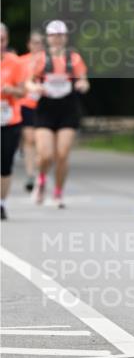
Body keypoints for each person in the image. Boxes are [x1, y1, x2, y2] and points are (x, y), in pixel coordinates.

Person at [28, 19, 89, 207]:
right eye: (53, 35)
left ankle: (58, 192)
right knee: (45, 154)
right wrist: (35, 88)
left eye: (60, 35)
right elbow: (28, 82)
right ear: (48, 38)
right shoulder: (40, 59)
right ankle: (41, 179)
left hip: (67, 108)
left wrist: (82, 85)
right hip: (45, 108)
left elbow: (84, 81)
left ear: (65, 37)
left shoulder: (74, 58)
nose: (57, 39)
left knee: (62, 154)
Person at [1, 23, 26, 221]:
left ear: (6, 40)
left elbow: (22, 91)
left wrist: (11, 91)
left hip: (9, 119)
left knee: (5, 164)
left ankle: (1, 203)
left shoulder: (15, 63)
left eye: (1, 39)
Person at [18, 29, 45, 192]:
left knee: (40, 142)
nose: (37, 46)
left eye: (40, 43)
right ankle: (30, 174)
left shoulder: (48, 61)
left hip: (45, 105)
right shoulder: (21, 61)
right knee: (29, 139)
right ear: (29, 44)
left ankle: (40, 171)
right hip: (26, 104)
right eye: (34, 42)